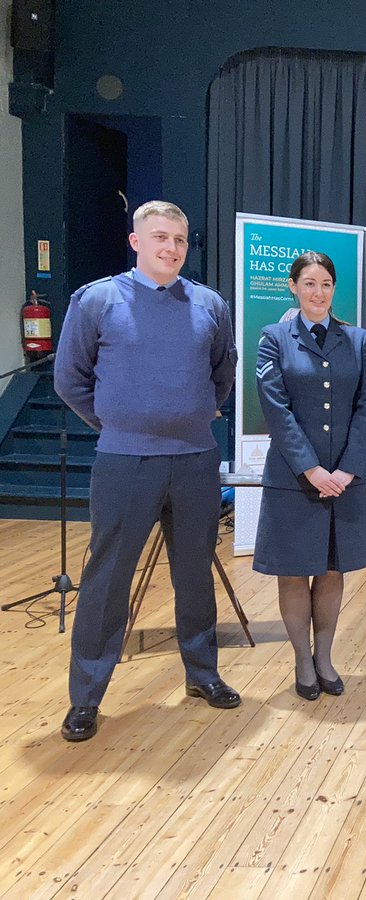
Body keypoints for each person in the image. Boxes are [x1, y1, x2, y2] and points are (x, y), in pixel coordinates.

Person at [53, 200, 239, 742]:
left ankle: (203, 675)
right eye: (160, 237)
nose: (171, 248)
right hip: (124, 461)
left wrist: (191, 415)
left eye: (180, 240)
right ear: (136, 241)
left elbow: (220, 377)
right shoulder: (97, 300)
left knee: (194, 574)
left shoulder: (209, 305)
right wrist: (116, 421)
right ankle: (86, 698)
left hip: (194, 460)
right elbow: (70, 379)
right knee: (107, 581)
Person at [253, 252, 366, 700]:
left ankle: (324, 658)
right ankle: (302, 662)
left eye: (326, 283)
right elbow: (276, 410)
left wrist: (345, 469)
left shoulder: (358, 340)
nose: (318, 292)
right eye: (308, 283)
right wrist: (311, 468)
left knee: (331, 570)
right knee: (293, 572)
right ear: (293, 286)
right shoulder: (273, 339)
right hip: (293, 479)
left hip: (345, 480)